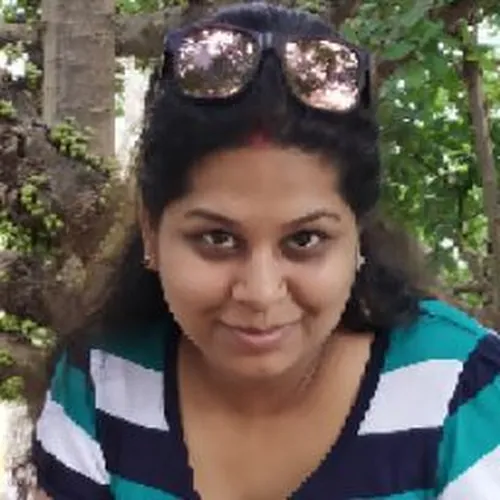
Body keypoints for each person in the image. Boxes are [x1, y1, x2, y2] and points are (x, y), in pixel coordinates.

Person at [33, 3, 500, 499]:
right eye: (217, 239)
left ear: (358, 236)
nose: (260, 293)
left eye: (304, 240)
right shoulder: (100, 384)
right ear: (151, 232)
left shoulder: (461, 389)